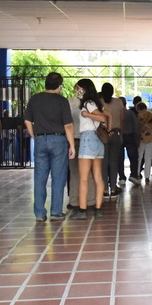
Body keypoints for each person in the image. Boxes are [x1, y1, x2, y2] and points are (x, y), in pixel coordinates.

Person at [24, 72, 76, 222]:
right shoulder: (62, 101)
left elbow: (27, 120)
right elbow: (68, 125)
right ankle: (56, 212)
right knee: (58, 178)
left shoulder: (35, 99)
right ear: (60, 86)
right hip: (58, 141)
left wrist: (35, 136)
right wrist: (71, 145)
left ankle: (39, 214)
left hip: (40, 140)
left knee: (39, 177)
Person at [73, 79, 108, 219]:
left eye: (78, 88)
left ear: (85, 89)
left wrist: (86, 115)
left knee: (83, 178)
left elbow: (102, 118)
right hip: (98, 140)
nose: (76, 91)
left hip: (87, 139)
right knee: (98, 177)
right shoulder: (97, 103)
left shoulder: (88, 104)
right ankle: (98, 208)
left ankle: (82, 210)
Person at [67, 84, 95, 212]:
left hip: (77, 139)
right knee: (87, 172)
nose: (78, 91)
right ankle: (88, 200)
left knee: (75, 172)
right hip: (85, 140)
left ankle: (75, 200)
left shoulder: (71, 102)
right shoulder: (94, 103)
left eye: (79, 88)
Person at [101, 82, 123, 198]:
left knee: (104, 163)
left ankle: (104, 190)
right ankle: (113, 189)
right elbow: (121, 119)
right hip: (115, 132)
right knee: (114, 162)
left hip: (102, 134)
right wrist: (121, 134)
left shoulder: (99, 102)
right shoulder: (118, 102)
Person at [136, 101, 152, 183]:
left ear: (138, 108)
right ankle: (147, 177)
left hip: (141, 138)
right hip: (151, 138)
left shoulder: (138, 116)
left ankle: (137, 174)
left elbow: (137, 127)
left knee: (139, 157)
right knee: (148, 157)